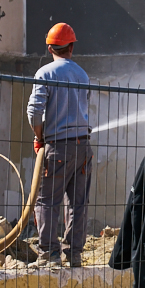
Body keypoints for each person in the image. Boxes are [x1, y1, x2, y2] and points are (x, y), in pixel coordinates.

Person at [26, 22, 93, 267]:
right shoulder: (83, 75)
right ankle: (74, 255)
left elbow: (34, 112)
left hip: (58, 146)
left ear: (50, 47)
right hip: (83, 147)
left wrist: (39, 137)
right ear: (71, 47)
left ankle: (49, 255)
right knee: (78, 203)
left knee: (47, 201)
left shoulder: (45, 73)